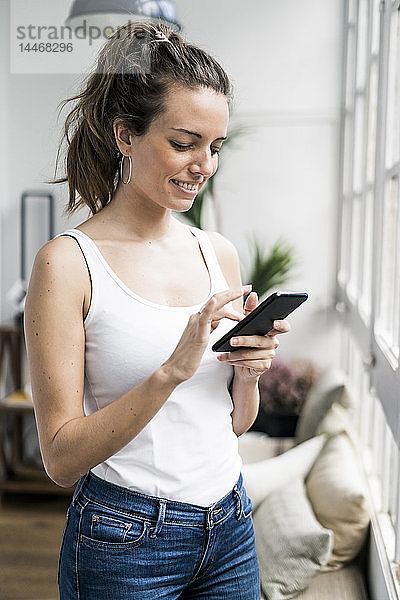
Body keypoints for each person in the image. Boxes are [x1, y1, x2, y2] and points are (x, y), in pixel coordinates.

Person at [24, 21, 290, 599]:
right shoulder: (68, 264)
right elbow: (62, 459)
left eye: (214, 146)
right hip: (124, 542)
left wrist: (247, 373)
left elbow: (235, 423)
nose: (204, 164)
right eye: (183, 142)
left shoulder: (216, 252)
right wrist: (172, 369)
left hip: (229, 528)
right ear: (125, 136)